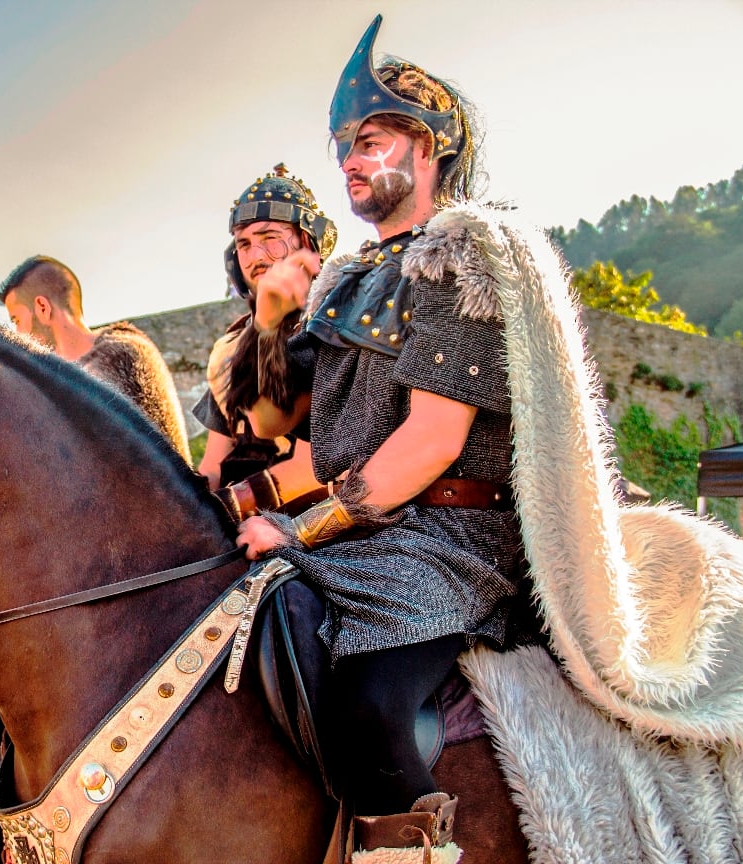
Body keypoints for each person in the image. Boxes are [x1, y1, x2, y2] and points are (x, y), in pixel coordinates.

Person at [236, 15, 537, 862]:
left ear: (431, 143)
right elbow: (279, 432)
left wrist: (298, 531)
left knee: (368, 708)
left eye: (370, 140)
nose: (350, 161)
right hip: (370, 532)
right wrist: (270, 325)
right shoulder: (350, 276)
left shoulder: (469, 253)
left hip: (449, 540)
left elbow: (432, 442)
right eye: (344, 147)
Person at [194, 163, 334, 521]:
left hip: (311, 523)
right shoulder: (232, 346)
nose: (255, 256)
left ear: (308, 241)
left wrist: (224, 509)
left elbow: (314, 468)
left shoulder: (336, 325)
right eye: (244, 244)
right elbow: (214, 462)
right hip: (237, 521)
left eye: (270, 238)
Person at [0, 255, 191, 461]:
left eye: (17, 320)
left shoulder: (118, 355)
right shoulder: (77, 373)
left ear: (43, 308)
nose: (17, 334)